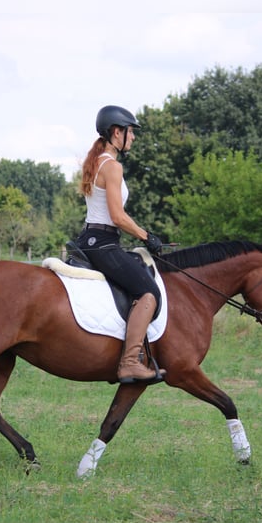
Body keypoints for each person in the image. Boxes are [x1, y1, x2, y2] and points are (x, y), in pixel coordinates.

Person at [75, 105, 166, 384]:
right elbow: (117, 216)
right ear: (117, 133)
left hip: (91, 239)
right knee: (149, 292)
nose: (133, 138)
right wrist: (146, 236)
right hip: (104, 244)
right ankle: (129, 362)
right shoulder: (112, 166)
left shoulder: (96, 162)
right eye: (131, 132)